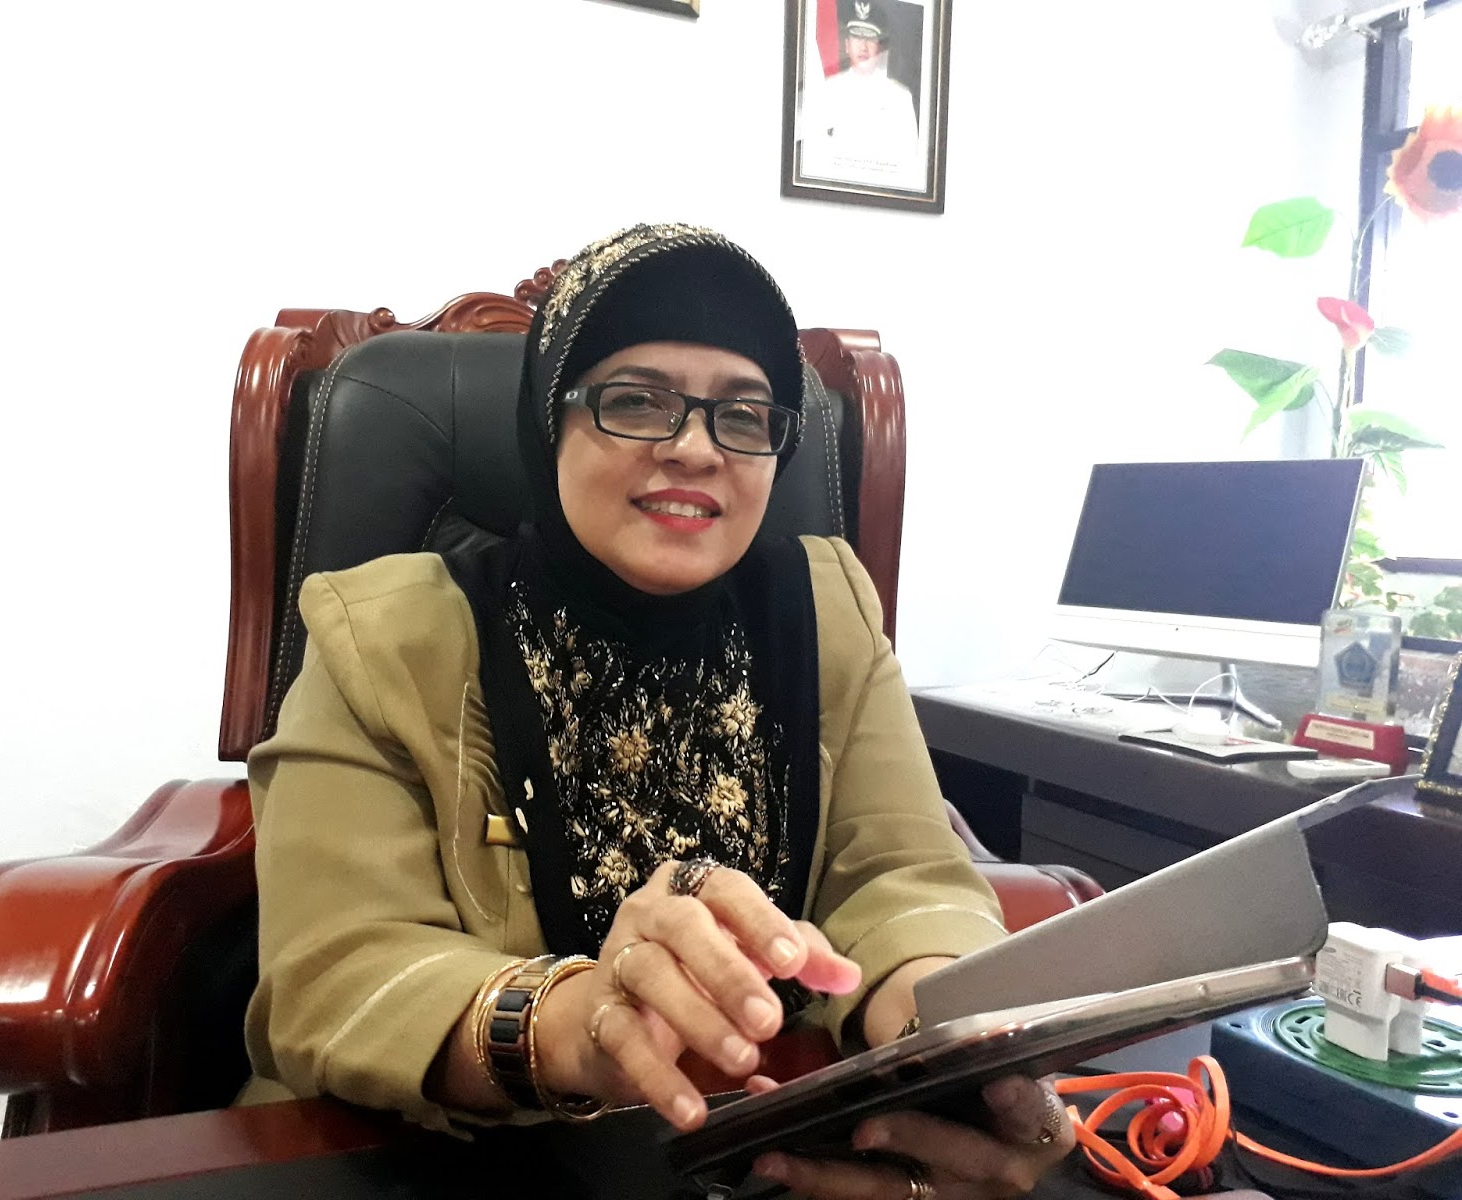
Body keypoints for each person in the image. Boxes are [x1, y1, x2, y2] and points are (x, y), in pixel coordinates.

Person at [238, 222, 1074, 1198]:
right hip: (448, 1163)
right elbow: (334, 975)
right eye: (636, 401)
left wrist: (944, 1036)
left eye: (743, 415)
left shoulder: (826, 607)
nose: (694, 449)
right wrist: (577, 1021)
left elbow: (898, 875)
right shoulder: (383, 633)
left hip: (767, 1145)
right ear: (549, 420)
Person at [801, 0, 925, 192]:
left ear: (880, 47)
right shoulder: (827, 91)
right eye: (857, 37)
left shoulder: (900, 98)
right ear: (847, 45)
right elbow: (813, 158)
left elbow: (909, 165)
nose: (863, 47)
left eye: (870, 38)